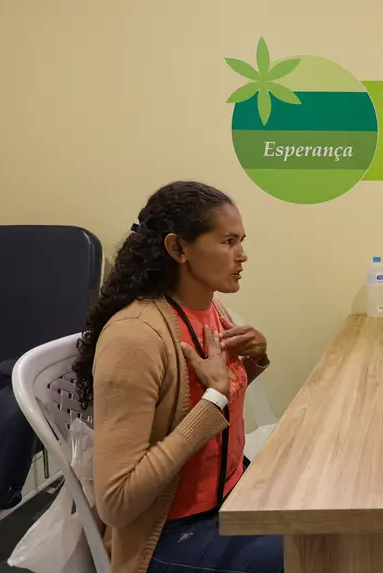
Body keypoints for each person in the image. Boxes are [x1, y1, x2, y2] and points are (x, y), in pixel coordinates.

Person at [73, 181, 283, 573]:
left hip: (228, 497)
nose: (243, 255)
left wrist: (252, 361)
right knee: (318, 550)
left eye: (241, 241)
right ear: (178, 249)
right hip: (166, 538)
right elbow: (116, 502)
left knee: (326, 513)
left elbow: (192, 404)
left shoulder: (210, 309)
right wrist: (214, 399)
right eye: (228, 242)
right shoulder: (134, 337)